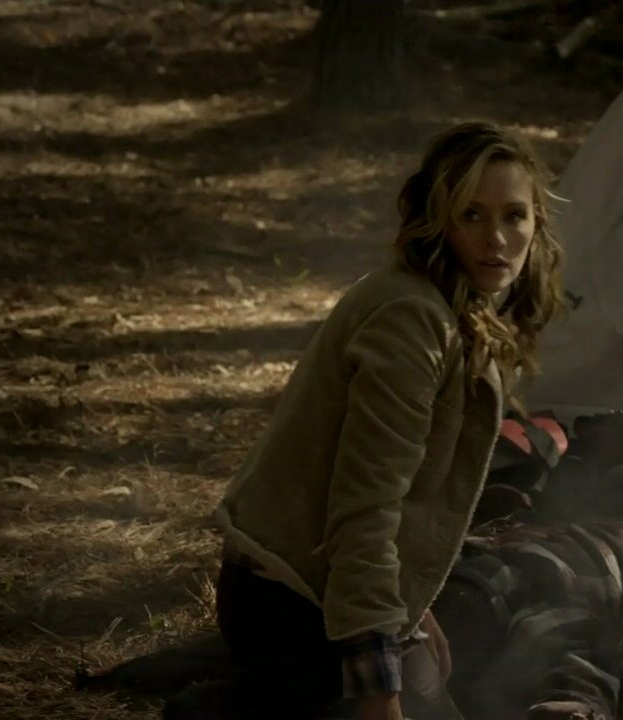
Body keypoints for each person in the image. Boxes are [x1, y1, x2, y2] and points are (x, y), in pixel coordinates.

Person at [210, 121, 566, 720]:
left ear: (537, 223)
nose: (497, 239)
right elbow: (364, 507)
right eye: (471, 215)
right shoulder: (411, 319)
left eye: (514, 216)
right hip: (290, 600)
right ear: (439, 220)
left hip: (341, 590)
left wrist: (414, 608)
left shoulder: (457, 308)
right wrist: (378, 683)